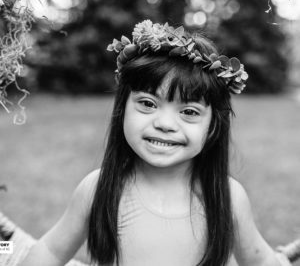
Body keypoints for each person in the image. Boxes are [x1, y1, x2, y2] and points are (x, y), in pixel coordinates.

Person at [19, 20, 291, 266]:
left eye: (189, 112)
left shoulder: (227, 197)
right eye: (148, 104)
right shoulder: (98, 188)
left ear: (212, 127)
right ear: (122, 109)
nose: (165, 124)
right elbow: (51, 252)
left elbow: (261, 260)